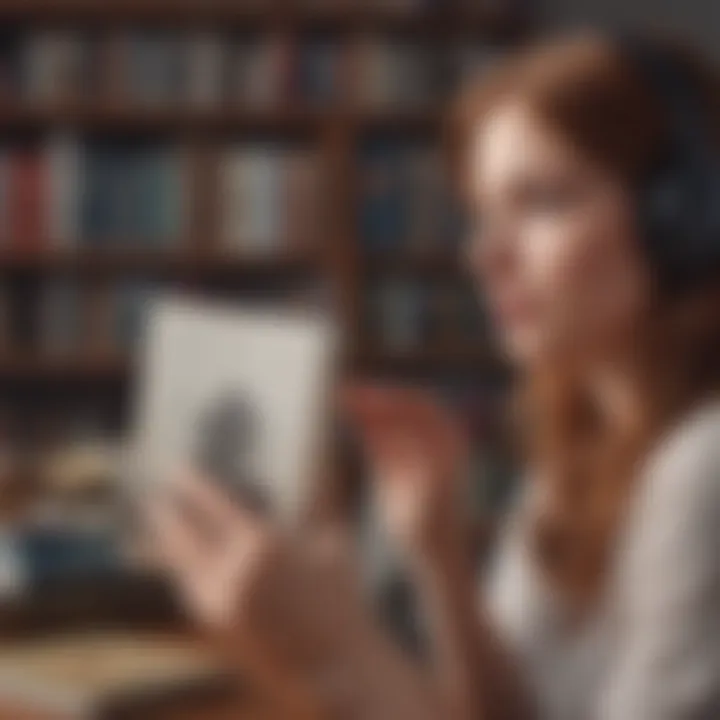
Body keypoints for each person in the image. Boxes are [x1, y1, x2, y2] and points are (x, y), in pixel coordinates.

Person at [149, 32, 720, 720]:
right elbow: (507, 713)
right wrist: (437, 551)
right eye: (481, 213)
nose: (485, 255)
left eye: (541, 200)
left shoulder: (703, 468)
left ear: (683, 217)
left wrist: (335, 647)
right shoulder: (584, 432)